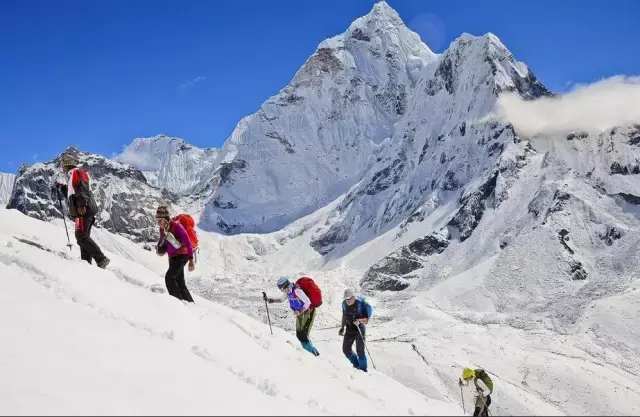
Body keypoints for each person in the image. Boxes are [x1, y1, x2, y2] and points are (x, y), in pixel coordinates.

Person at [54, 153, 110, 269]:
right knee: (83, 237)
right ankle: (86, 264)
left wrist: (82, 205)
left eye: (63, 163)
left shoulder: (77, 172)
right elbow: (73, 194)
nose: (62, 166)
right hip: (82, 211)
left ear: (67, 164)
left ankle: (101, 258)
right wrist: (62, 187)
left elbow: (82, 189)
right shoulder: (73, 175)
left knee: (81, 236)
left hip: (84, 211)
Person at [264, 276, 320, 356]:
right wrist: (271, 300)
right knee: (300, 334)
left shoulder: (296, 290)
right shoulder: (288, 292)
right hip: (300, 313)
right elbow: (281, 300)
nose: (280, 290)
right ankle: (310, 352)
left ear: (285, 286)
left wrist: (300, 311)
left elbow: (308, 302)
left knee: (302, 334)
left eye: (281, 288)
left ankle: (312, 353)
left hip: (307, 312)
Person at [155, 205, 195, 303]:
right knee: (180, 281)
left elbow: (188, 242)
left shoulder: (177, 226)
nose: (158, 223)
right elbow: (162, 241)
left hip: (182, 255)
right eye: (157, 220)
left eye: (160, 220)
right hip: (172, 257)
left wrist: (191, 260)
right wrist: (160, 248)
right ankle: (190, 304)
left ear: (166, 219)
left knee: (169, 277)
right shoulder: (162, 229)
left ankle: (177, 303)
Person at [339, 288, 370, 372]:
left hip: (359, 329)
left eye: (349, 298)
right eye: (346, 298)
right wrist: (342, 327)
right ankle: (356, 365)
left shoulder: (361, 304)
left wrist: (359, 321)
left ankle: (363, 370)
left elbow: (366, 320)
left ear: (353, 297)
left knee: (360, 351)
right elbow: (344, 316)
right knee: (346, 350)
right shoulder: (344, 304)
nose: (347, 301)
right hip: (349, 328)